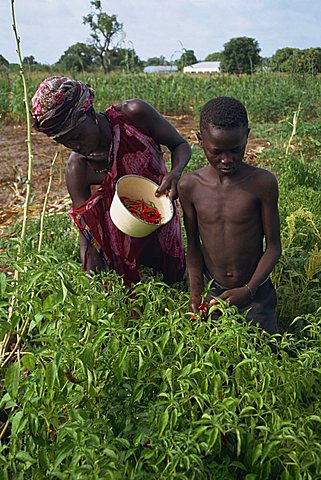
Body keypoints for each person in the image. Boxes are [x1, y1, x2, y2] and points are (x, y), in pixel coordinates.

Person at [31, 76, 191, 286]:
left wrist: (175, 172)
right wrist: (92, 284)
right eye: (65, 143)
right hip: (120, 247)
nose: (75, 146)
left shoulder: (134, 116)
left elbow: (180, 145)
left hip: (160, 222)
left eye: (77, 136)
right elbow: (87, 231)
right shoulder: (78, 169)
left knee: (173, 284)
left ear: (89, 113)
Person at [178, 96, 281, 334]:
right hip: (213, 292)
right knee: (217, 359)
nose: (227, 160)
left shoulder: (262, 183)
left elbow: (274, 247)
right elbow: (193, 246)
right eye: (217, 152)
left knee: (264, 357)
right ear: (199, 140)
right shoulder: (190, 186)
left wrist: (248, 290)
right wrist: (195, 294)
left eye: (236, 150)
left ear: (247, 136)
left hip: (257, 294)